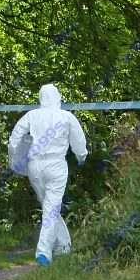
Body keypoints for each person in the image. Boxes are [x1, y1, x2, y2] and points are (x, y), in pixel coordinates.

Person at [8, 84, 87, 267]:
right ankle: (43, 252)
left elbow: (14, 139)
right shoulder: (66, 116)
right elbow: (79, 142)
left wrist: (15, 160)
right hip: (56, 164)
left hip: (35, 166)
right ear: (58, 97)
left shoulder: (31, 115)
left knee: (49, 207)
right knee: (51, 208)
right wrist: (81, 156)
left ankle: (64, 246)